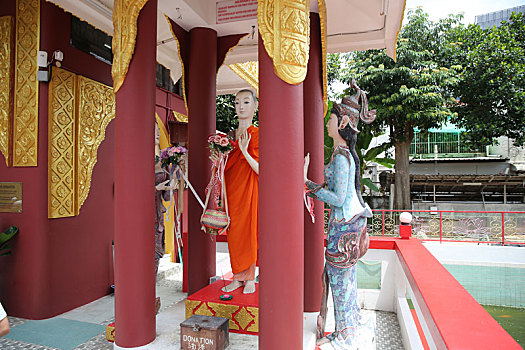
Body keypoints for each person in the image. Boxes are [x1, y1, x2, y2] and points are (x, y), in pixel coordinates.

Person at [304, 80, 375, 349]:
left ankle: (346, 333)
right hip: (346, 225)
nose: (328, 123)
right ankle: (346, 327)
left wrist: (309, 187)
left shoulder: (343, 158)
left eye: (331, 119)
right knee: (340, 280)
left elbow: (337, 198)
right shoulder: (340, 155)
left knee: (341, 281)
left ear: (343, 124)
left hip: (344, 227)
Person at [216, 89, 259, 294]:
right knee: (234, 234)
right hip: (232, 193)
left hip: (249, 192)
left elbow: (262, 169)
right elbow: (224, 170)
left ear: (255, 106)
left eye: (246, 102)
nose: (241, 106)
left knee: (248, 232)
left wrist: (244, 152)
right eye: (237, 103)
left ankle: (249, 276)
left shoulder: (257, 135)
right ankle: (237, 275)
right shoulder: (229, 140)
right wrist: (217, 161)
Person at [154, 122, 176, 313]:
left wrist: (171, 183)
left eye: (156, 131)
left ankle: (151, 295)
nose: (154, 134)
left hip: (157, 215)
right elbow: (123, 189)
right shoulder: (135, 157)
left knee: (156, 256)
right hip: (140, 217)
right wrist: (154, 188)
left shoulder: (162, 159)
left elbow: (166, 197)